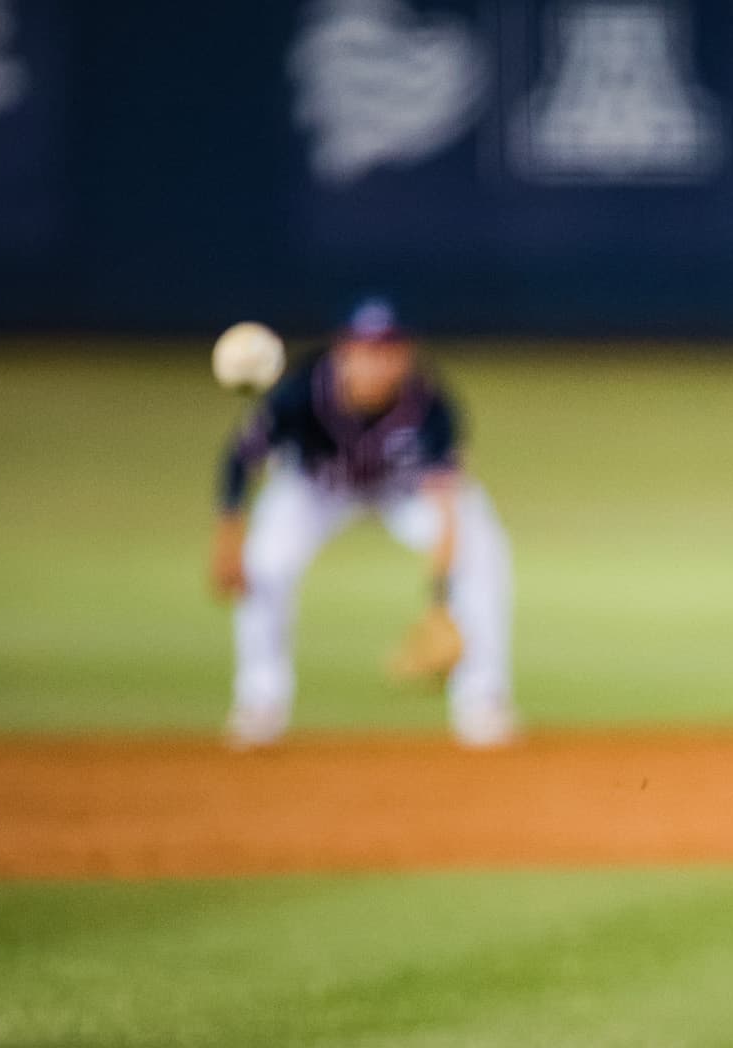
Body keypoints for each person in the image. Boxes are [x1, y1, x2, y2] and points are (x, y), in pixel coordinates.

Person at [209, 298, 516, 748]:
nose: (378, 361)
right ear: (343, 352)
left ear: (406, 355)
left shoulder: (431, 405)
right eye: (366, 349)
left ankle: (483, 702)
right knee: (265, 564)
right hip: (317, 489)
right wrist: (228, 536)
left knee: (482, 550)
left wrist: (440, 600)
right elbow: (241, 458)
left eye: (389, 350)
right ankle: (260, 702)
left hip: (401, 492)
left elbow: (449, 508)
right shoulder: (300, 392)